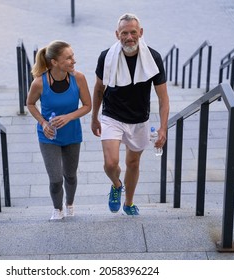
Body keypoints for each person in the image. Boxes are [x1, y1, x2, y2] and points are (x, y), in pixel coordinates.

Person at [91, 13, 170, 215]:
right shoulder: (106, 56)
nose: (129, 37)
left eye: (133, 32)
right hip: (112, 116)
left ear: (140, 33)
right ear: (117, 34)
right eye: (124, 33)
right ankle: (117, 185)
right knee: (110, 164)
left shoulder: (153, 58)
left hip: (139, 119)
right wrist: (94, 117)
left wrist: (163, 127)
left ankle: (129, 203)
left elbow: (163, 98)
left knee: (132, 163)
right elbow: (99, 89)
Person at [27, 40, 92, 220]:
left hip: (72, 134)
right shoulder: (39, 83)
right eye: (69, 58)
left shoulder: (78, 78)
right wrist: (43, 123)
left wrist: (68, 117)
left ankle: (69, 204)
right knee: (56, 179)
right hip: (49, 136)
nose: (74, 61)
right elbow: (30, 104)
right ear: (54, 62)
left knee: (70, 176)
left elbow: (88, 105)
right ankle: (57, 209)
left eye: (73, 56)